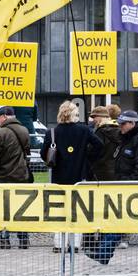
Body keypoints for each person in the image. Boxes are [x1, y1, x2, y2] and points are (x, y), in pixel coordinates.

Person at [86, 111, 138, 266]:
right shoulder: (127, 140)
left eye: (123, 124)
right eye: (120, 123)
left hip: (137, 189)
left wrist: (129, 183)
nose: (120, 127)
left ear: (132, 124)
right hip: (129, 188)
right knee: (123, 221)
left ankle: (104, 253)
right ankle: (104, 252)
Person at [42, 100, 102, 252]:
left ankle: (59, 244)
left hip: (58, 178)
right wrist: (86, 157)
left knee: (59, 211)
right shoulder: (84, 131)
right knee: (77, 211)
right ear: (74, 114)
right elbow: (99, 145)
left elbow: (44, 154)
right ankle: (74, 244)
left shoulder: (52, 132)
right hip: (78, 176)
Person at [0, 105, 30, 250]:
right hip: (21, 176)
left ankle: (3, 239)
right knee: (21, 209)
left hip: (4, 177)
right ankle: (24, 239)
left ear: (4, 116)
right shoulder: (24, 130)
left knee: (3, 209)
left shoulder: (0, 134)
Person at [88, 105, 121, 182]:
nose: (93, 120)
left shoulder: (100, 132)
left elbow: (91, 151)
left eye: (94, 117)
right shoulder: (120, 131)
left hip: (100, 172)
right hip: (116, 171)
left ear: (101, 117)